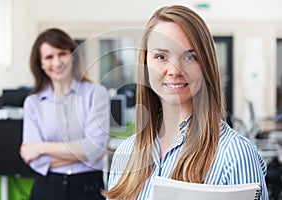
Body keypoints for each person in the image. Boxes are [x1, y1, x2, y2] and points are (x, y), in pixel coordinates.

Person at [103, 5, 269, 200]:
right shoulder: (126, 154)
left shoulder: (236, 155)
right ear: (145, 64)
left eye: (189, 57)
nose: (174, 70)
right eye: (161, 56)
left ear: (206, 65)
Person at [20, 28, 110, 200]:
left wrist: (41, 148)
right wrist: (84, 154)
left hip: (88, 187)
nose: (57, 62)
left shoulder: (96, 93)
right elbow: (34, 160)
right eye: (49, 57)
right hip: (46, 189)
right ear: (40, 63)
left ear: (73, 56)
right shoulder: (33, 103)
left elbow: (95, 147)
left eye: (62, 54)